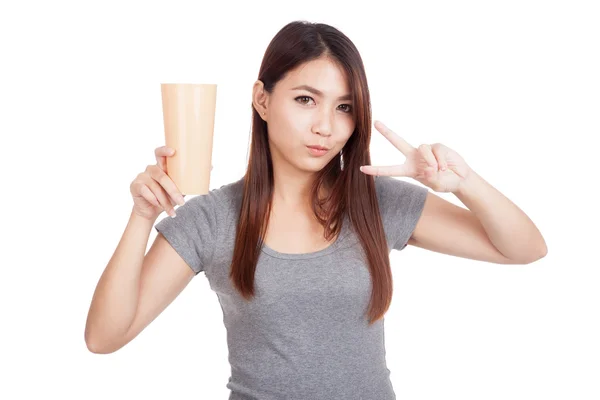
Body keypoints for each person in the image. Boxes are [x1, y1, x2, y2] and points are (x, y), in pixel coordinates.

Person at [84, 20, 547, 400]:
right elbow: (104, 338)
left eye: (344, 107)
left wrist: (463, 182)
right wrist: (142, 217)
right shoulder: (213, 218)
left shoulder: (375, 202)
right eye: (305, 99)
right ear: (262, 100)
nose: (325, 126)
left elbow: (524, 248)